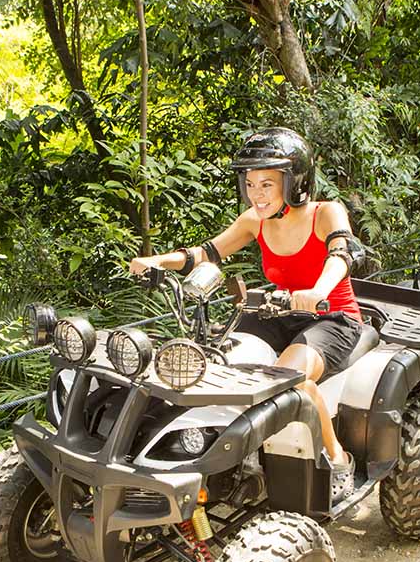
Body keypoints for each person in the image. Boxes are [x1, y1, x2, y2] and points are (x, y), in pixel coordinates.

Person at [128, 127, 364, 501]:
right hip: (278, 311)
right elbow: (205, 253)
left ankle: (337, 460)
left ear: (295, 182)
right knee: (217, 358)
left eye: (267, 184)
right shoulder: (253, 220)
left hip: (331, 316)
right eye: (250, 184)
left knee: (290, 379)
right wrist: (158, 261)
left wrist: (318, 290)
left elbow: (343, 254)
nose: (256, 194)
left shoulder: (325, 212)